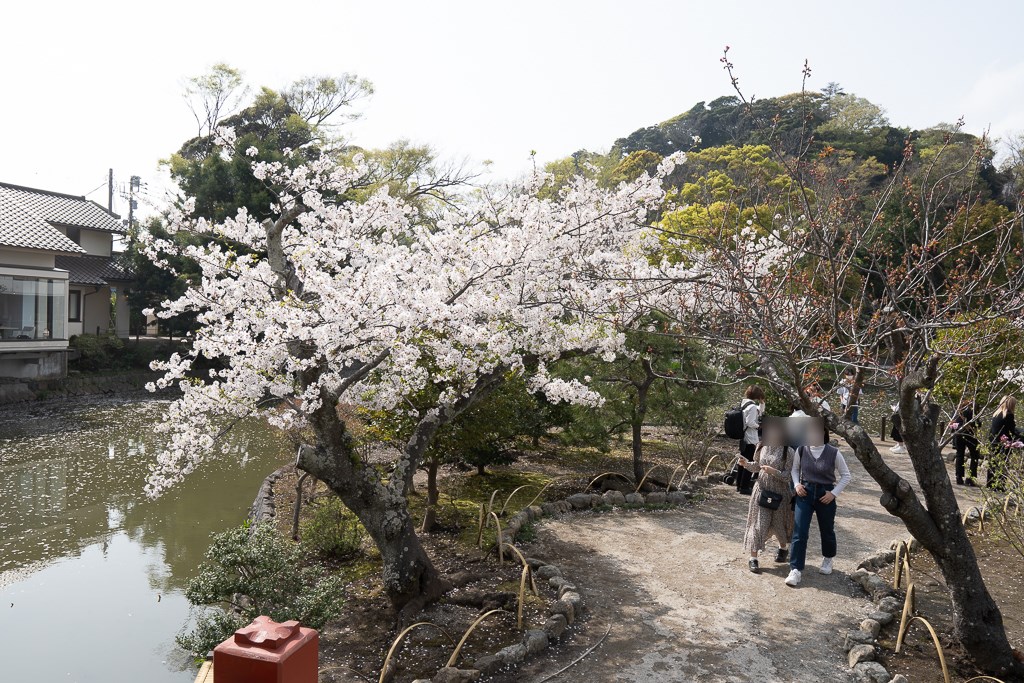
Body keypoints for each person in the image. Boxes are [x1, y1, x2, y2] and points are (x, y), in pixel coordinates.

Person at [785, 418, 852, 587]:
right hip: (805, 492)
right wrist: (797, 484)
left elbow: (846, 475)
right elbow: (794, 469)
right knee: (799, 531)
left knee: (827, 529)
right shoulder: (801, 450)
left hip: (825, 494)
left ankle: (828, 559)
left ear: (824, 433)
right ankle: (795, 569)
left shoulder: (833, 452)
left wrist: (834, 493)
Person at [739, 417, 794, 573]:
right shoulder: (761, 446)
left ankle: (783, 548)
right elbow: (757, 466)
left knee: (779, 526)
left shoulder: (788, 451)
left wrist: (774, 472)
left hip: (781, 494)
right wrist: (746, 464)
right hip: (761, 491)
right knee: (759, 524)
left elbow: (788, 476)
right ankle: (753, 558)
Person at [736, 385, 765, 495]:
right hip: (750, 438)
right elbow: (750, 422)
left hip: (743, 437)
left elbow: (759, 412)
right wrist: (759, 426)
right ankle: (744, 486)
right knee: (749, 463)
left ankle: (739, 485)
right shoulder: (752, 407)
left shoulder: (744, 404)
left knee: (742, 461)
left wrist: (762, 403)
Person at [988, 396, 1020, 490]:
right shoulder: (1008, 415)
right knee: (1003, 464)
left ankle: (991, 484)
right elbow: (1012, 430)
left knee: (993, 463)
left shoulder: (996, 414)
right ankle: (1000, 485)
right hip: (1003, 443)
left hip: (993, 441)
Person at [951, 400, 980, 486]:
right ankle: (970, 478)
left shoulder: (956, 412)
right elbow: (977, 424)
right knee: (975, 454)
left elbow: (952, 424)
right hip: (969, 434)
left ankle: (959, 476)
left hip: (958, 434)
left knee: (960, 454)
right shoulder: (971, 412)